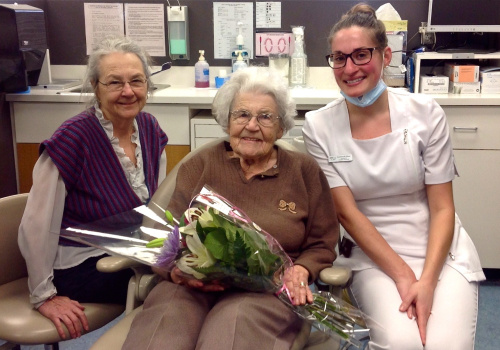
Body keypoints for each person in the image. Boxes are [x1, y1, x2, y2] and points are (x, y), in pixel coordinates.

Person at [302, 4, 485, 350]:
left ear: (386, 55)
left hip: (437, 249)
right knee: (403, 342)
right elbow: (346, 214)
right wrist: (403, 275)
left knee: (447, 345)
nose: (350, 68)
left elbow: (443, 209)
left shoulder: (425, 114)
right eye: (339, 58)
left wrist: (427, 281)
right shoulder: (319, 127)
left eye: (361, 55)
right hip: (373, 255)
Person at [123, 67, 339, 350]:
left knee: (231, 330)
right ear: (227, 121)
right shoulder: (199, 165)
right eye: (242, 115)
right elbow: (165, 235)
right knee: (164, 326)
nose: (252, 125)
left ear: (281, 127)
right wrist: (174, 271)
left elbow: (322, 244)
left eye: (265, 117)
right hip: (190, 285)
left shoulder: (303, 171)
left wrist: (300, 270)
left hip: (266, 292)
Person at [18, 36, 168, 340]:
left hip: (128, 251)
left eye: (137, 81)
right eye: (115, 83)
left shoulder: (150, 129)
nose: (128, 92)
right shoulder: (72, 140)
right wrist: (43, 295)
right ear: (95, 87)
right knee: (174, 286)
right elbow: (36, 225)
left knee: (195, 274)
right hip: (80, 265)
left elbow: (158, 209)